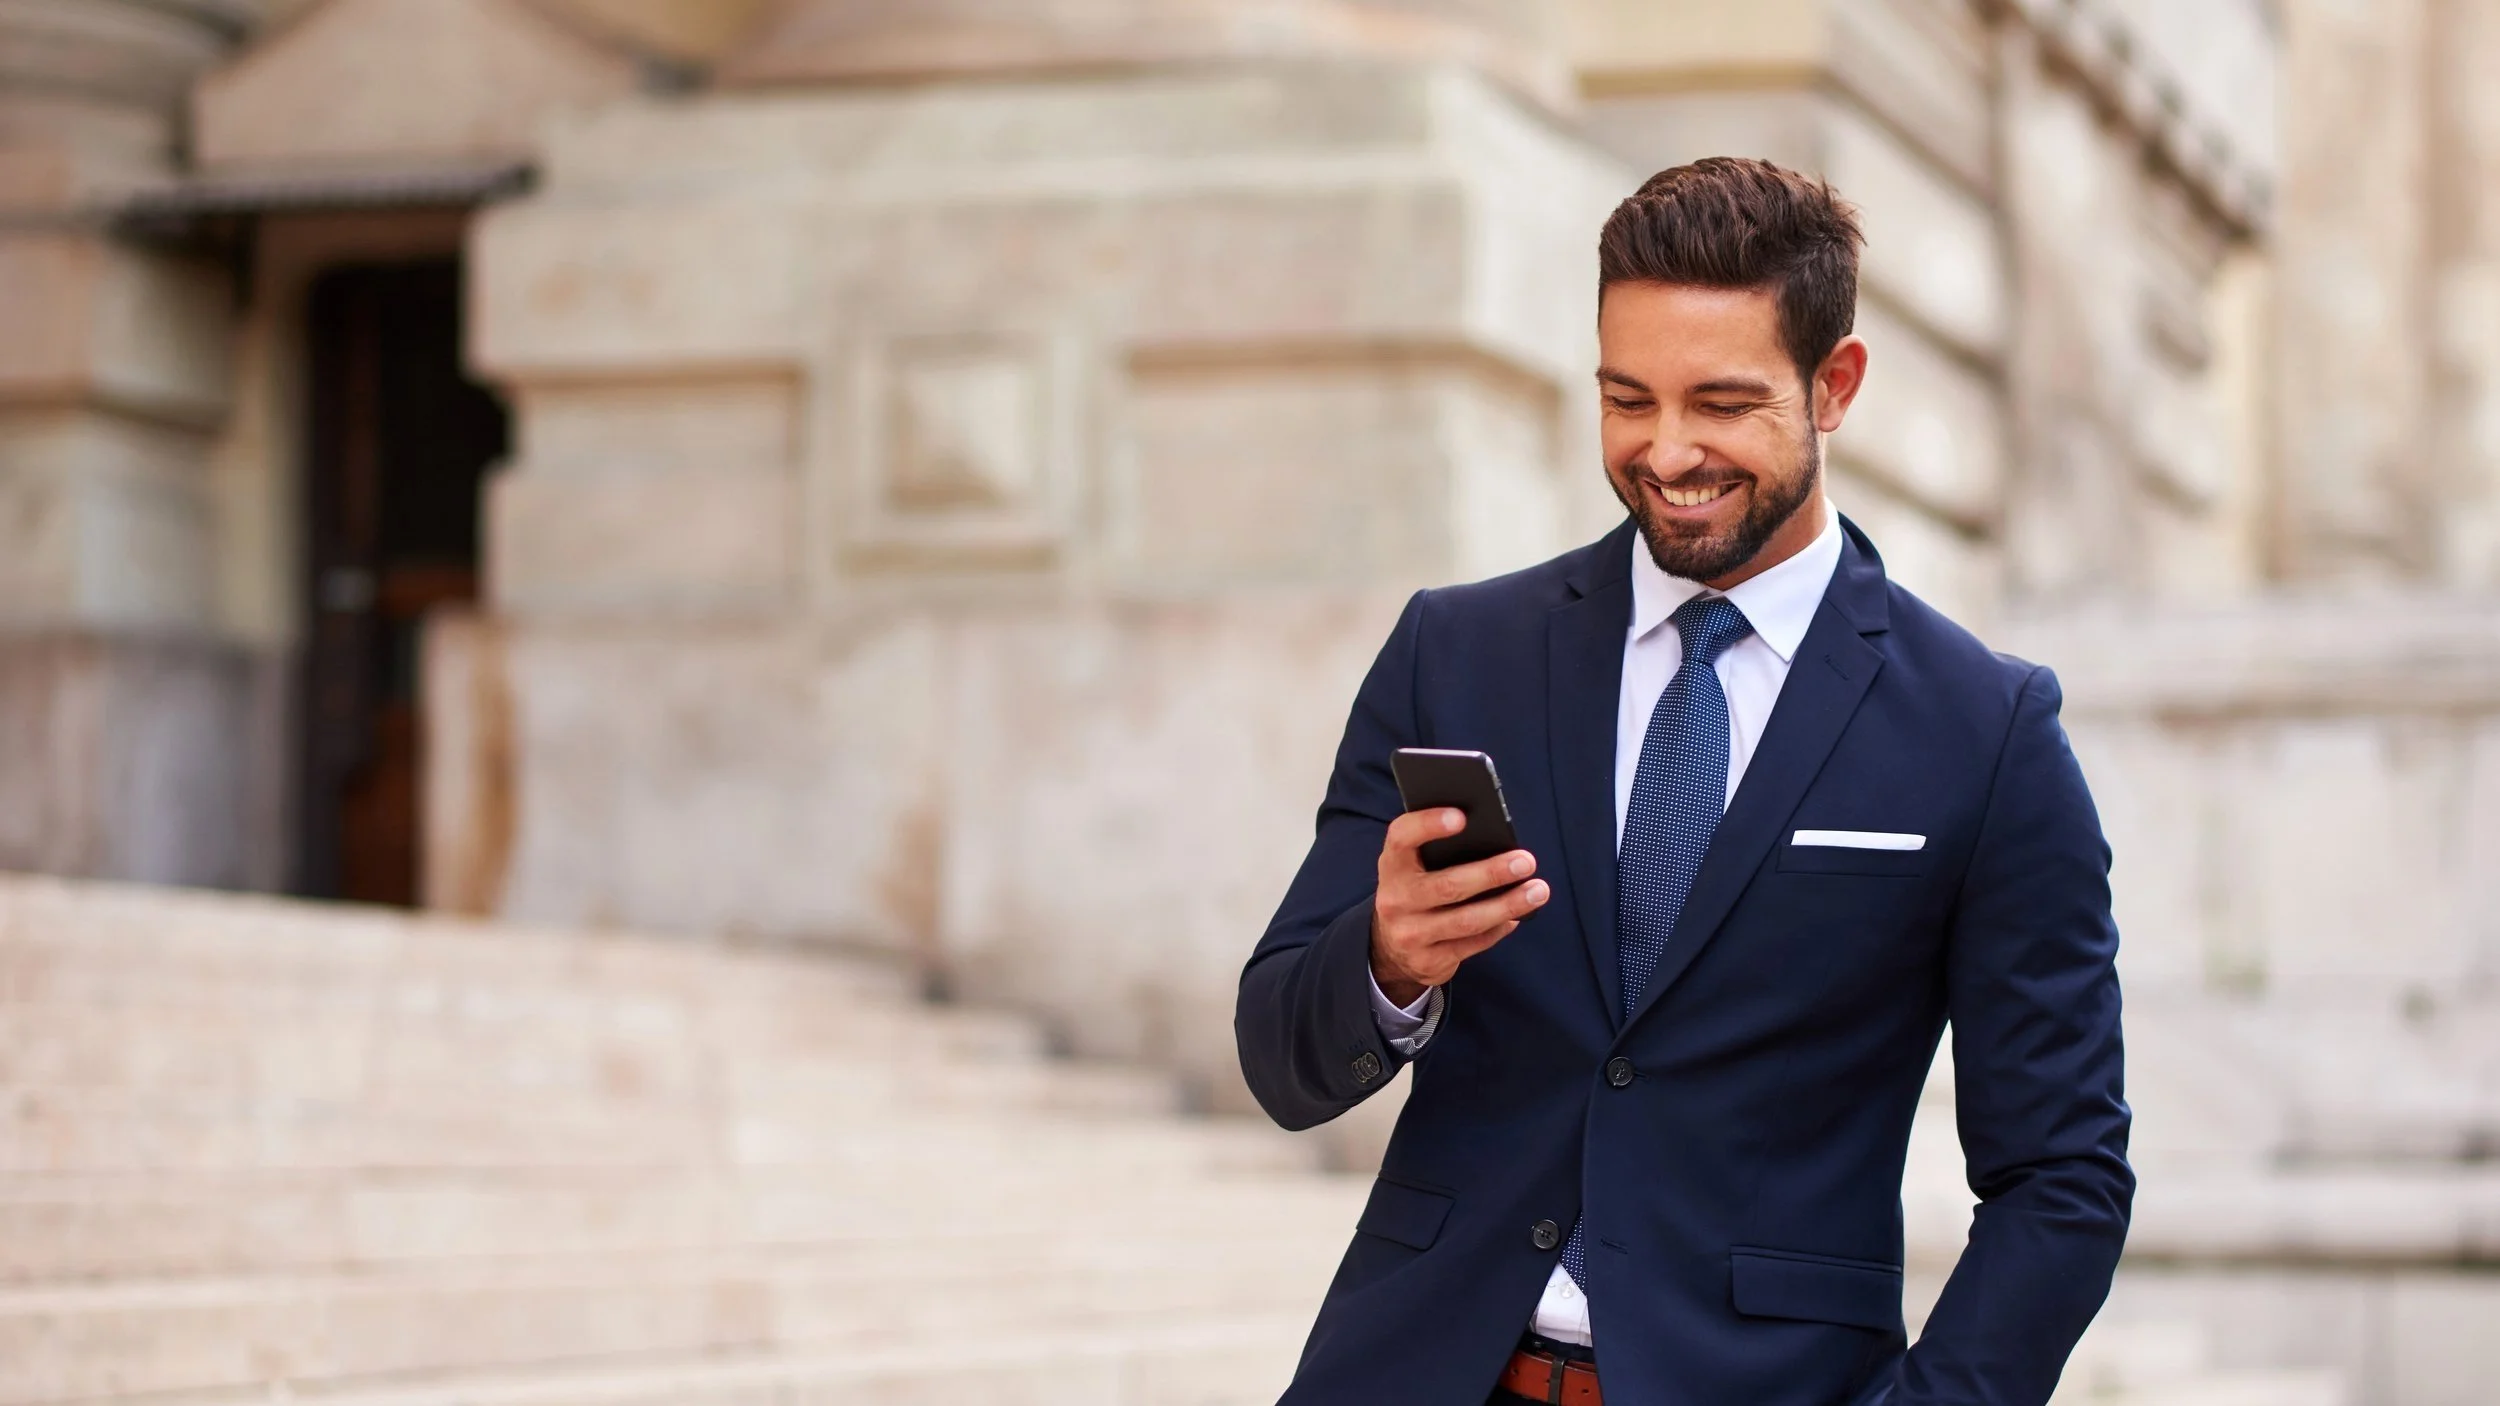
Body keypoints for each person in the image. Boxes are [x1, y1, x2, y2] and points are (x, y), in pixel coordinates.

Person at [1234, 157, 2131, 1406]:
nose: (1665, 451)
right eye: (1624, 398)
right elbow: (1280, 1057)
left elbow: (2064, 1173)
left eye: (1720, 401)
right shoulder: (1457, 652)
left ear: (1836, 385)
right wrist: (1384, 960)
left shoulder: (1984, 730)